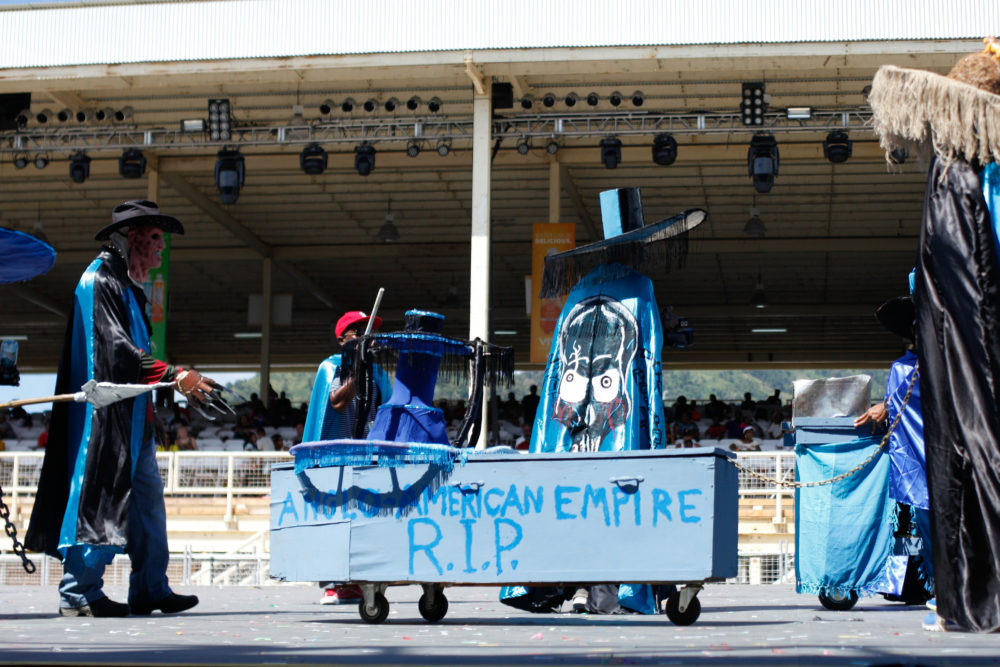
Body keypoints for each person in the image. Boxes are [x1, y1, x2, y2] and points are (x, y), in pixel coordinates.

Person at [25, 200, 218, 618]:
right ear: (132, 238)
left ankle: (150, 587)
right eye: (155, 239)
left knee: (148, 508)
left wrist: (151, 411)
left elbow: (134, 355)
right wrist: (175, 375)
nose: (162, 248)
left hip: (134, 420)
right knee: (98, 497)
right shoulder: (99, 280)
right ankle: (78, 591)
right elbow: (115, 351)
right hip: (104, 420)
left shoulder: (127, 286)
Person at [870, 39, 1000, 632]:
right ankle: (967, 595)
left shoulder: (955, 175)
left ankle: (970, 597)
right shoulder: (962, 176)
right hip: (967, 351)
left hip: (966, 357)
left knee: (970, 450)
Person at [302, 309, 392, 606]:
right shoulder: (331, 367)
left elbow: (386, 409)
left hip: (366, 454)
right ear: (343, 339)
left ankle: (357, 581)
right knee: (335, 519)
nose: (369, 338)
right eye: (360, 332)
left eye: (371, 333)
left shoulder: (377, 372)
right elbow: (337, 402)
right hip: (334, 456)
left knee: (365, 519)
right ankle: (333, 583)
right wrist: (358, 371)